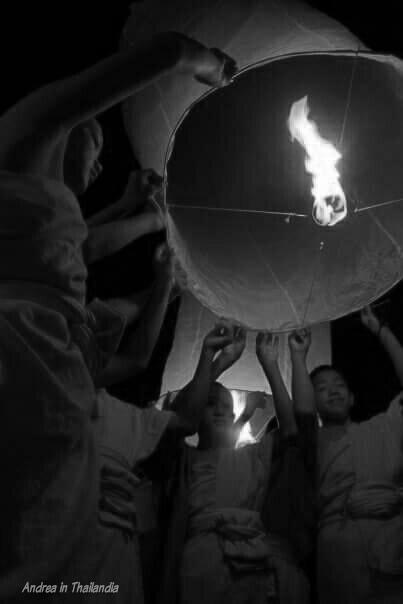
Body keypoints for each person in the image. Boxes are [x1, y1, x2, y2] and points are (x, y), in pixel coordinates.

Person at [0, 31, 236, 599]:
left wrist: (158, 254)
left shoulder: (44, 231)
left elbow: (79, 250)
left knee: (42, 540)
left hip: (53, 378)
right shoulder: (20, 149)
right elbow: (162, 52)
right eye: (95, 141)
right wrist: (204, 63)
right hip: (23, 361)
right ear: (71, 129)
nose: (103, 159)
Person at [160, 325, 312, 604]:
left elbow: (291, 430)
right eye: (210, 403)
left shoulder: (254, 455)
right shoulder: (185, 457)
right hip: (204, 561)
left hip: (259, 558)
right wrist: (217, 364)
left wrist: (271, 365)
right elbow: (177, 417)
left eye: (227, 407)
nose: (221, 410)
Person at [291, 305, 403, 604]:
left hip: (394, 536)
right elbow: (301, 413)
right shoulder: (315, 440)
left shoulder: (384, 426)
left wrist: (382, 332)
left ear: (353, 397)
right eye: (322, 388)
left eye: (339, 385)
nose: (333, 391)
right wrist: (298, 358)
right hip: (340, 546)